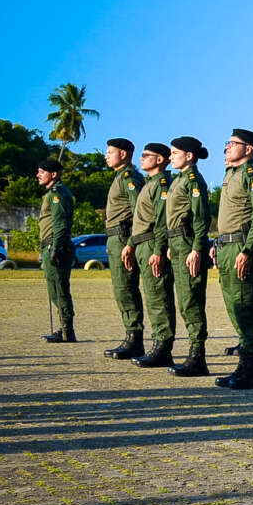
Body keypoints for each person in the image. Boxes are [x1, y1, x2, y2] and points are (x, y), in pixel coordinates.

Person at [213, 128, 253, 389]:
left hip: (241, 246)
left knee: (246, 306)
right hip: (227, 246)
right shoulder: (231, 174)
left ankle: (252, 370)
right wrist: (217, 244)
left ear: (248, 149)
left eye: (232, 143)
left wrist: (247, 250)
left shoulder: (252, 175)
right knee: (234, 306)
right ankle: (246, 366)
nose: (227, 147)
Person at [158, 136, 212, 374]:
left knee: (191, 300)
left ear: (189, 156)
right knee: (184, 300)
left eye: (175, 153)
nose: (170, 157)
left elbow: (200, 217)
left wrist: (197, 248)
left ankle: (197, 357)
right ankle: (194, 354)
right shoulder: (178, 179)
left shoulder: (192, 180)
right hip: (178, 242)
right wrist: (172, 242)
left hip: (188, 243)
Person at [122, 144, 176, 364]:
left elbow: (162, 221)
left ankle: (162, 348)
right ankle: (157, 344)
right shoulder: (149, 183)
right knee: (152, 295)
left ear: (160, 160)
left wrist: (158, 250)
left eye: (146, 155)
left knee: (158, 296)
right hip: (142, 243)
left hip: (152, 243)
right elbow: (139, 220)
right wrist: (131, 243)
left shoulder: (162, 184)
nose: (141, 158)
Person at [102, 138, 146, 360]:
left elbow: (139, 210)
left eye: (110, 152)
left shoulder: (129, 177)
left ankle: (134, 339)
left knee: (126, 288)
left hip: (123, 237)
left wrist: (130, 243)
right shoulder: (119, 177)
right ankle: (130, 335)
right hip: (115, 237)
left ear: (124, 154)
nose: (106, 156)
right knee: (121, 289)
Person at [36, 159, 77, 343]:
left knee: (59, 289)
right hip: (50, 244)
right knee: (54, 289)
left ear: (53, 174)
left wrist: (56, 248)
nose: (38, 175)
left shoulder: (57, 193)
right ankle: (64, 328)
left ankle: (67, 330)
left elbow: (60, 223)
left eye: (41, 172)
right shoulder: (53, 192)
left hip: (56, 244)